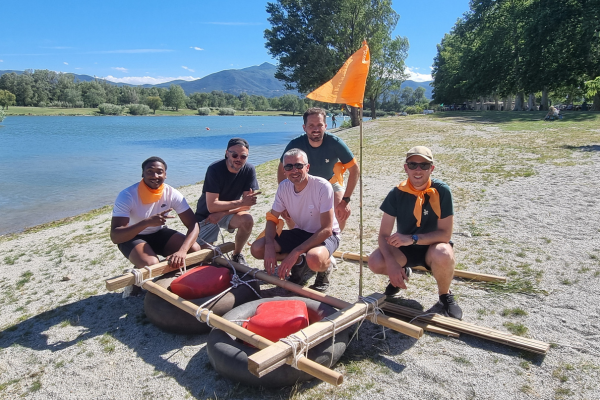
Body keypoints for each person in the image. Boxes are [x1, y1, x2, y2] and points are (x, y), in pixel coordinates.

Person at [367, 146, 462, 319]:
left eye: (424, 165)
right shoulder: (397, 193)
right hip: (405, 247)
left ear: (431, 168)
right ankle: (403, 271)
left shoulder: (441, 191)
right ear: (406, 168)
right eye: (413, 165)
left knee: (444, 253)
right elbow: (383, 235)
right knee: (375, 261)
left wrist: (413, 238)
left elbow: (445, 235)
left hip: (431, 246)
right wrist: (392, 264)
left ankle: (444, 295)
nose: (418, 170)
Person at [251, 148, 340, 292]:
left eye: (299, 165)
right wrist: (268, 245)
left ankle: (325, 269)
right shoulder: (283, 187)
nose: (294, 170)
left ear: (307, 167)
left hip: (326, 235)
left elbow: (327, 230)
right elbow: (272, 218)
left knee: (314, 258)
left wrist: (296, 252)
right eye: (289, 167)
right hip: (301, 232)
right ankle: (300, 263)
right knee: (257, 248)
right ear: (284, 170)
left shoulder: (322, 186)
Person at [111, 156, 201, 275]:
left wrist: (182, 251)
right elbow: (116, 236)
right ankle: (136, 274)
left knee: (194, 250)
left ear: (165, 175)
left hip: (158, 233)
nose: (155, 176)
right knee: (152, 264)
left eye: (160, 172)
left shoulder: (172, 193)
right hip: (131, 237)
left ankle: (167, 271)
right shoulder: (127, 195)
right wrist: (147, 222)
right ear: (142, 174)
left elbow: (193, 224)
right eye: (150, 171)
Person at [277, 107, 358, 231]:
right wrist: (284, 199)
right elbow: (281, 169)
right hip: (302, 184)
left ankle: (332, 240)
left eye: (319, 125)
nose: (315, 129)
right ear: (304, 127)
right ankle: (298, 239)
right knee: (289, 214)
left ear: (325, 126)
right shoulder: (295, 144)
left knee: (341, 212)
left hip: (330, 182)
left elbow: (354, 170)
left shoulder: (335, 143)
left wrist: (345, 200)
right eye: (311, 125)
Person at [195, 138, 260, 266]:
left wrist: (223, 213)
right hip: (207, 216)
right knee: (203, 259)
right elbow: (212, 206)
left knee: (247, 219)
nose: (238, 159)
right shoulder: (214, 169)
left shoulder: (249, 170)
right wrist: (241, 203)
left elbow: (247, 205)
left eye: (243, 156)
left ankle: (236, 254)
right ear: (226, 153)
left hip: (225, 214)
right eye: (234, 155)